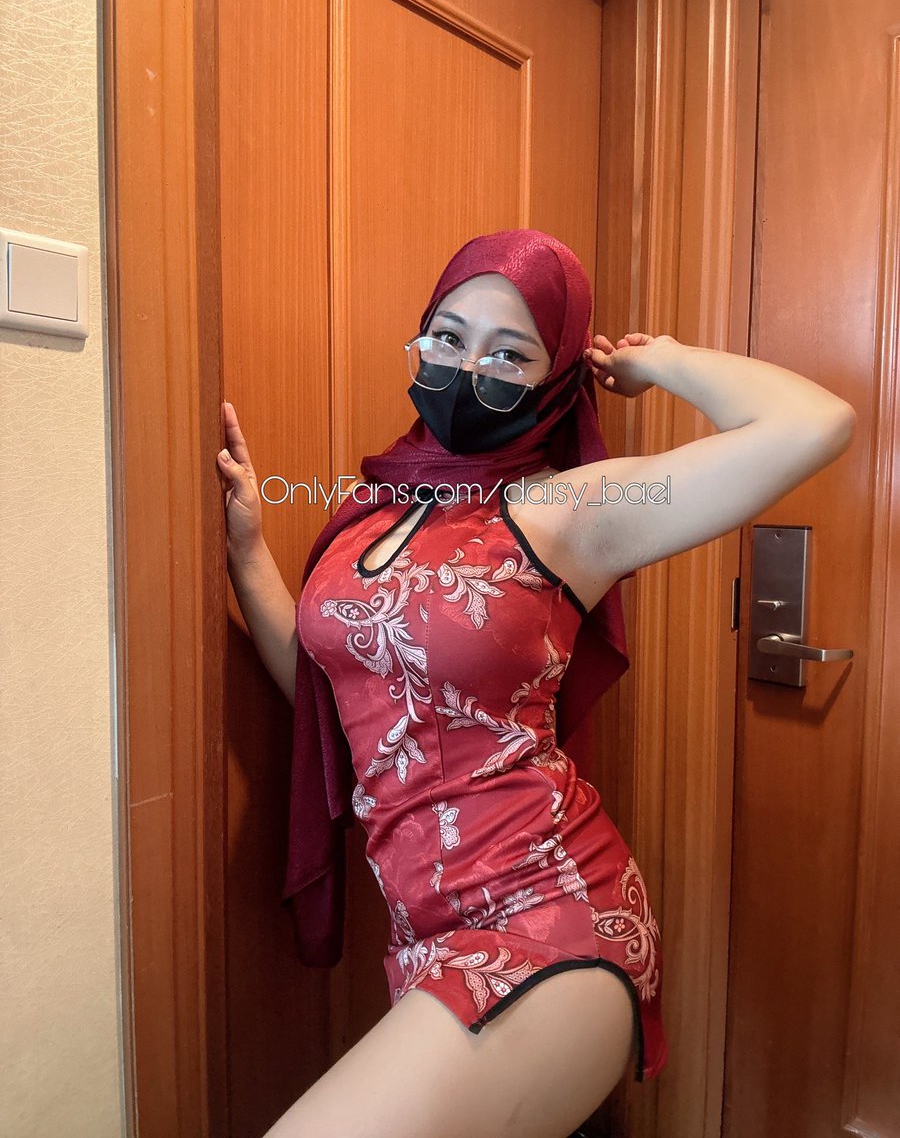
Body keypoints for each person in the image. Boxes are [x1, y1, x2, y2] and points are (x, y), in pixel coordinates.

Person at [217, 229, 856, 1138]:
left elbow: (815, 423)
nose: (467, 369)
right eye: (448, 338)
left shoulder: (573, 508)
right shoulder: (374, 509)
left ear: (555, 378)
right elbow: (338, 709)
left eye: (509, 355)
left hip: (549, 913)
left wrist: (659, 362)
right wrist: (249, 556)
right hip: (423, 934)